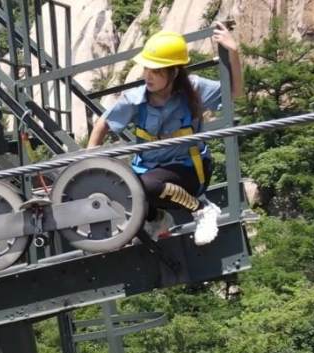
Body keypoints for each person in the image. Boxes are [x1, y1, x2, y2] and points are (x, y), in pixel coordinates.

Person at [87, 23, 243, 246]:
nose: (148, 76)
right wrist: (91, 157)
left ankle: (202, 209)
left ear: (174, 72)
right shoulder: (136, 98)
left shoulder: (194, 90)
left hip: (189, 170)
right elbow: (104, 123)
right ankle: (156, 218)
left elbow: (235, 93)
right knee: (120, 184)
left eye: (156, 71)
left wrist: (233, 52)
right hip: (149, 171)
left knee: (145, 186)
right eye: (146, 70)